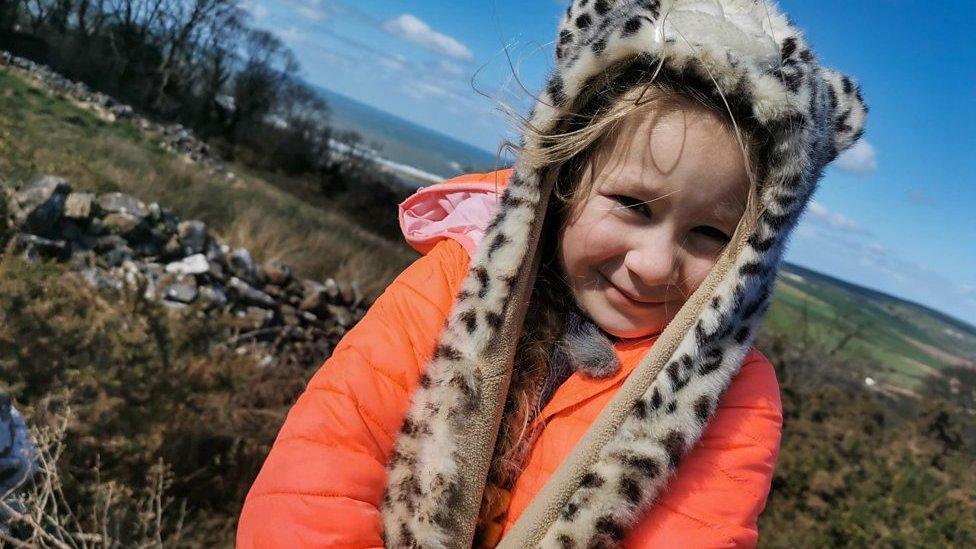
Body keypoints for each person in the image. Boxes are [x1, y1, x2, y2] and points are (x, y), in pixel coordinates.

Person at [237, 0, 867, 547]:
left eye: (710, 235)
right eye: (632, 205)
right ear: (563, 179)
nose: (652, 265)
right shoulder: (456, 279)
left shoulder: (734, 395)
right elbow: (317, 480)